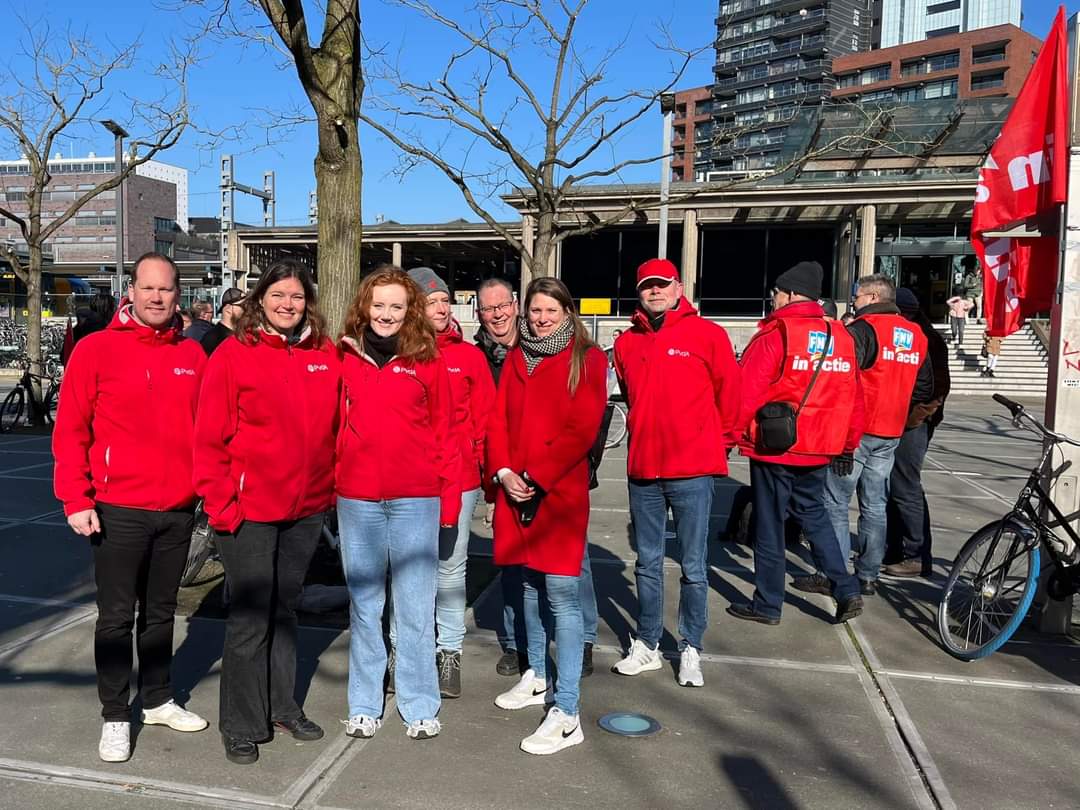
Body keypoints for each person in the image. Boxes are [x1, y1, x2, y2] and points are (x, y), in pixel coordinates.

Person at [52, 252, 209, 764]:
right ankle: (116, 713)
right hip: (116, 506)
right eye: (148, 289)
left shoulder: (193, 354)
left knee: (161, 614)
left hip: (178, 508)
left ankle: (159, 698)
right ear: (132, 292)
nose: (157, 297)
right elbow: (70, 430)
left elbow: (209, 430)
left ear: (177, 295)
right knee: (117, 617)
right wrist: (76, 498)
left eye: (166, 290)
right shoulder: (97, 350)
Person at [193, 259, 339, 765]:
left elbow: (335, 428)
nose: (287, 304)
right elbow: (209, 437)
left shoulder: (325, 354)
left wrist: (330, 491)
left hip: (305, 509)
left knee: (285, 612)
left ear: (307, 302)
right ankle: (240, 722)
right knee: (251, 619)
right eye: (278, 294)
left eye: (296, 297)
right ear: (261, 298)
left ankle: (281, 705)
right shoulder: (235, 354)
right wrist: (221, 505)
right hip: (248, 510)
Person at [336, 266, 460, 742]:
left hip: (416, 499)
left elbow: (447, 433)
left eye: (396, 306)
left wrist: (447, 501)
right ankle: (364, 703)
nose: (386, 314)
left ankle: (419, 703)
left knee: (413, 606)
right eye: (378, 304)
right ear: (365, 307)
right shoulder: (344, 357)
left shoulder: (428, 360)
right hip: (358, 500)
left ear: (410, 312)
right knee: (366, 606)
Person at [488, 277, 607, 756]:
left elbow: (582, 428)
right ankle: (536, 674)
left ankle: (568, 710)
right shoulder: (519, 357)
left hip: (556, 494)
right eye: (534, 311)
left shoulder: (587, 358)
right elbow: (498, 419)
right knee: (530, 587)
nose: (540, 319)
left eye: (549, 311)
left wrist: (535, 474)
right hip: (516, 492)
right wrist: (502, 471)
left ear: (567, 311)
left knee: (561, 595)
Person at [611, 258, 740, 687]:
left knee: (693, 565)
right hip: (644, 470)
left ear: (678, 286)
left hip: (692, 470)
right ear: (639, 292)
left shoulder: (708, 335)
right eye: (647, 286)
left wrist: (718, 443)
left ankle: (690, 648)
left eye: (662, 285)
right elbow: (631, 396)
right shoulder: (628, 343)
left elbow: (731, 393)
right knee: (647, 563)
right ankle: (647, 643)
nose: (655, 292)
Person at [726, 261, 865, 625]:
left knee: (770, 524)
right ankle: (845, 586)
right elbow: (855, 397)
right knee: (815, 516)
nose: (772, 301)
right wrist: (847, 445)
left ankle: (768, 604)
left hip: (776, 445)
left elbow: (746, 393)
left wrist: (730, 437)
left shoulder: (777, 334)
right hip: (821, 446)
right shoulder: (842, 336)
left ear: (788, 294)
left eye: (775, 294)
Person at [797, 274, 932, 597]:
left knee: (835, 503)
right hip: (891, 430)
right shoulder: (916, 334)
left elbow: (841, 377)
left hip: (855, 431)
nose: (853, 301)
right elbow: (924, 386)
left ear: (872, 298)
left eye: (856, 296)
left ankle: (833, 573)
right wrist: (898, 403)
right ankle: (869, 574)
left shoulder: (862, 330)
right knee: (875, 504)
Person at [407, 267, 496, 698]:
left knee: (449, 569)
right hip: (409, 481)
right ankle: (408, 650)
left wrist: (485, 477)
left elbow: (486, 420)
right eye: (431, 301)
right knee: (408, 569)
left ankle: (448, 651)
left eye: (444, 300)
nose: (441, 307)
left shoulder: (470, 356)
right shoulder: (400, 354)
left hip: (459, 479)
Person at [883, 288, 951, 578]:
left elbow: (936, 389)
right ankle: (896, 547)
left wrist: (914, 416)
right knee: (893, 485)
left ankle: (917, 553)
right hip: (903, 419)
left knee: (905, 485)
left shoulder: (926, 339)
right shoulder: (915, 334)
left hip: (913, 422)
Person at [199, 287, 245, 356]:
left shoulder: (243, 335)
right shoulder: (212, 339)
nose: (248, 310)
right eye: (243, 306)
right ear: (228, 308)